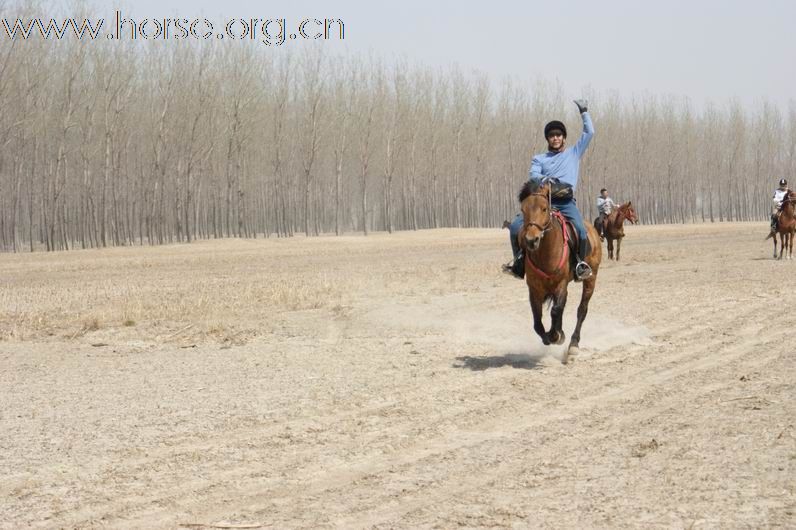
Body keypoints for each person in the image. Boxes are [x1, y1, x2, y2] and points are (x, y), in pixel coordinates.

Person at [504, 99, 595, 281]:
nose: (555, 138)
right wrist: (546, 180)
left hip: (565, 203)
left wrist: (584, 112)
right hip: (542, 204)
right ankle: (519, 262)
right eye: (552, 135)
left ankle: (579, 263)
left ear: (563, 137)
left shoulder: (574, 153)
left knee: (581, 231)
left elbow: (589, 132)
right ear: (548, 139)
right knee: (514, 227)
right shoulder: (539, 159)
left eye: (559, 135)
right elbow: (533, 175)